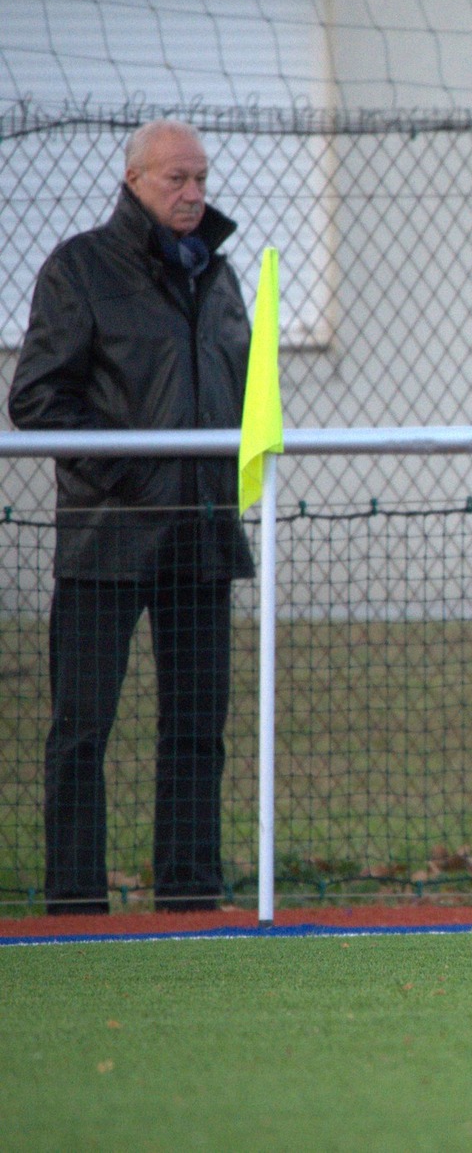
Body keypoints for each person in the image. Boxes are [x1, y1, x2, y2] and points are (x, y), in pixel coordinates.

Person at [8, 120, 254, 915]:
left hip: (202, 537)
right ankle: (75, 903)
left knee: (195, 730)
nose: (191, 194)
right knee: (83, 730)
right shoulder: (80, 269)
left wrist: (221, 479)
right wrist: (132, 474)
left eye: (201, 180)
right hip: (106, 541)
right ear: (135, 180)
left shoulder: (219, 278)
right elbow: (39, 401)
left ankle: (190, 895)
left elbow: (243, 393)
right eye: (175, 179)